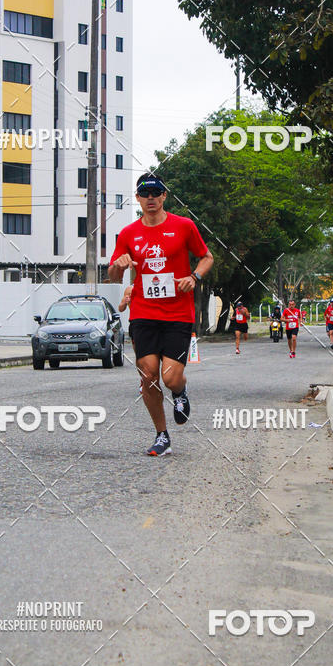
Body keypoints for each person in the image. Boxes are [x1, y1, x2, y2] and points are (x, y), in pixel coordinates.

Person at [108, 173, 213, 456]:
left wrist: (194, 277)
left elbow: (207, 256)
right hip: (143, 312)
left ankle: (180, 393)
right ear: (138, 198)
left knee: (170, 377)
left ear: (164, 196)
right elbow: (112, 274)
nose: (151, 198)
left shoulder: (184, 226)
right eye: (145, 193)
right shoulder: (129, 233)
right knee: (148, 375)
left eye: (156, 192)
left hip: (178, 312)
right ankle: (161, 435)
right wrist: (119, 264)